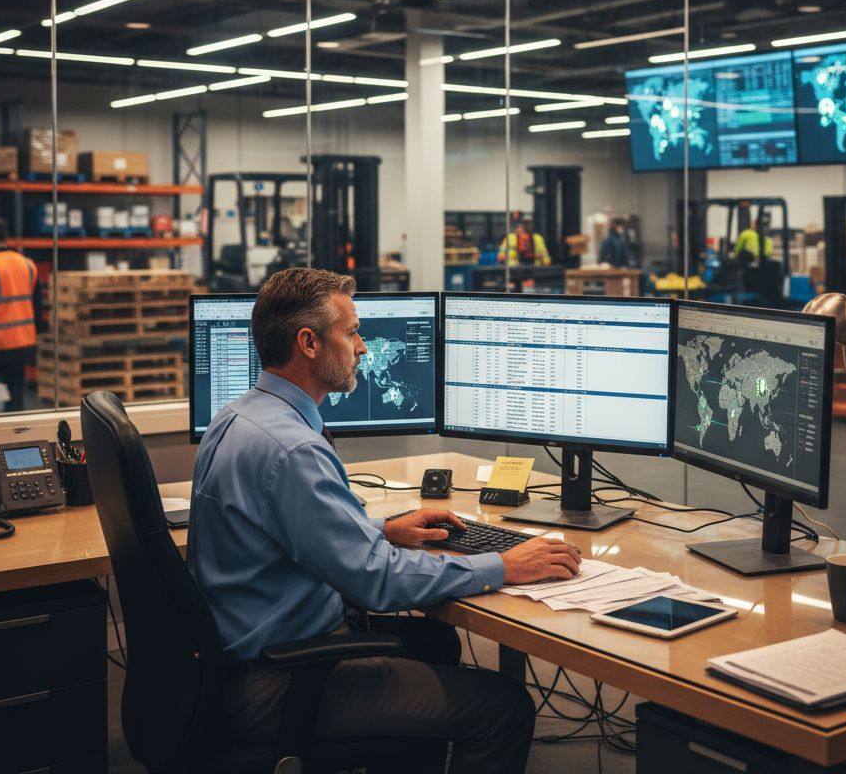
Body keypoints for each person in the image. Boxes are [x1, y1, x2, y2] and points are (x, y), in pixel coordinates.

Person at [188, 267, 581, 773]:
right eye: (351, 332)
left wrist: (382, 530)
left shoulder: (239, 416)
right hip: (278, 682)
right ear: (309, 343)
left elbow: (287, 530)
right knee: (503, 707)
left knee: (438, 642)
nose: (364, 347)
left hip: (236, 662)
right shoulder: (293, 450)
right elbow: (378, 580)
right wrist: (503, 565)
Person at [0, 216, 41, 411]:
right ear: (7, 236)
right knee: (16, 399)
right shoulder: (27, 264)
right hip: (22, 342)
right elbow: (37, 306)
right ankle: (18, 440)